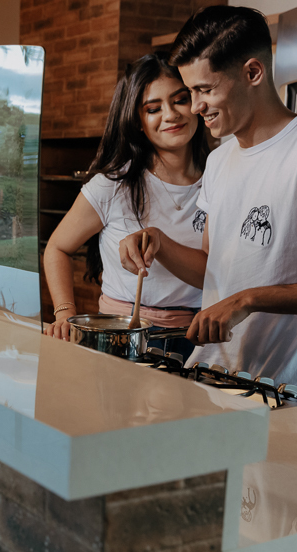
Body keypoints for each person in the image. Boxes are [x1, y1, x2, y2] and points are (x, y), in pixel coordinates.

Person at [118, 6, 297, 404]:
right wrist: (159, 243)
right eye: (191, 91)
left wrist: (250, 299)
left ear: (252, 73)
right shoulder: (219, 159)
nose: (195, 106)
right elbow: (214, 269)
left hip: (285, 396)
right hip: (211, 380)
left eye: (205, 90)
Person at [42, 52, 211, 361]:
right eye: (153, 108)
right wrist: (64, 313)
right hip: (118, 337)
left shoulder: (220, 178)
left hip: (194, 341)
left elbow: (211, 274)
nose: (171, 115)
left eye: (180, 100)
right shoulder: (115, 183)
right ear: (138, 121)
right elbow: (57, 248)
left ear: (198, 103)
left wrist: (161, 242)